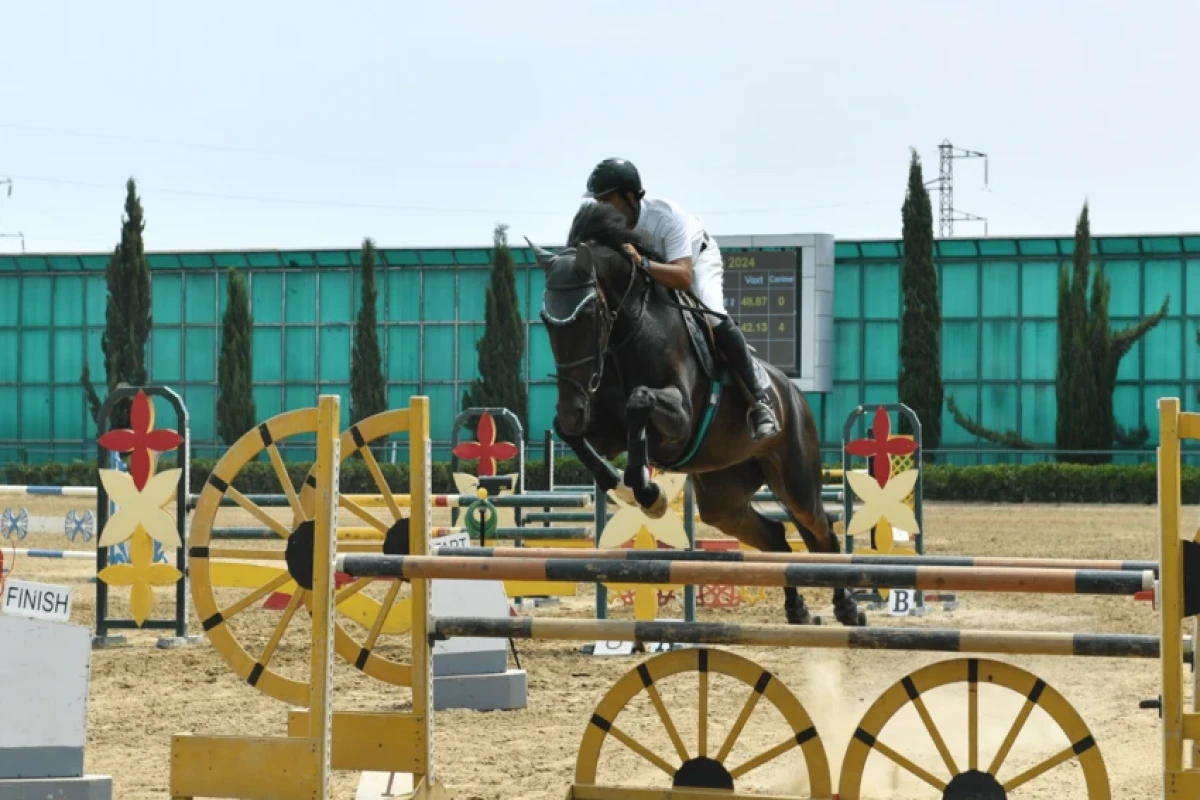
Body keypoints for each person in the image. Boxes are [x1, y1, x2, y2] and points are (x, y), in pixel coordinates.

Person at [582, 157, 780, 441]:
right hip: (651, 273)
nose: (600, 207)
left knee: (712, 315)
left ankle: (760, 401)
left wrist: (643, 265)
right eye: (597, 200)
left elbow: (683, 276)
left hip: (694, 262)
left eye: (606, 199)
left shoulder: (666, 216)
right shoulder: (606, 224)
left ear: (629, 196)